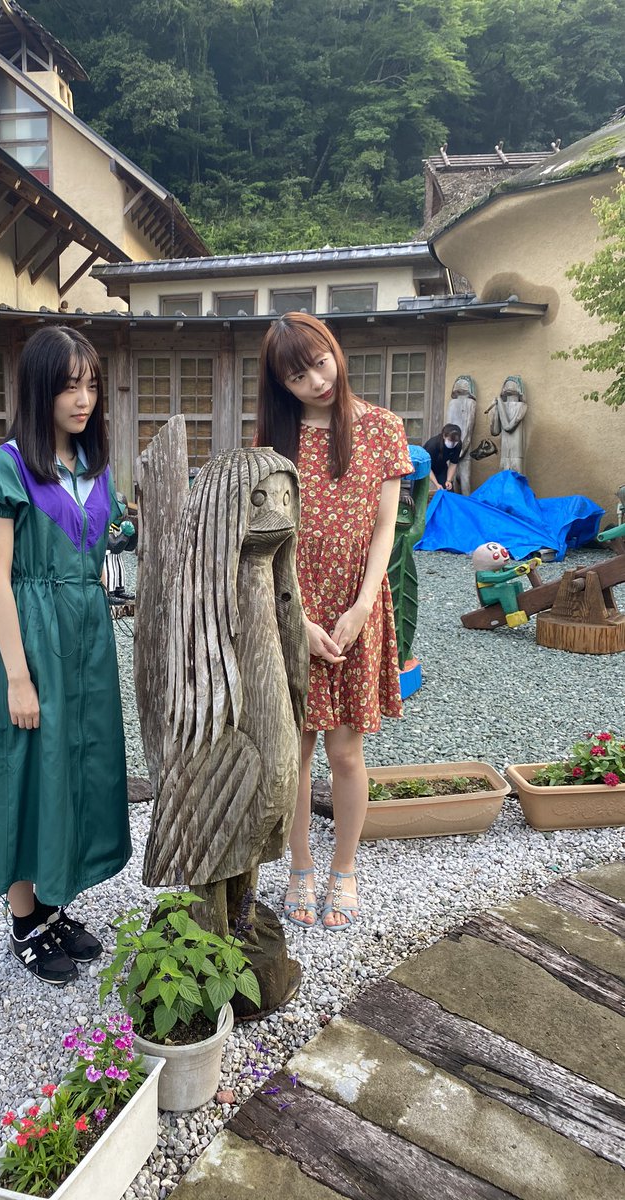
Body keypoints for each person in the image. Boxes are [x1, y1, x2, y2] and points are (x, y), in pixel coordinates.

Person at [0, 326, 131, 985]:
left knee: (76, 767)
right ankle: (23, 920)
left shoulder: (96, 467)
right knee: (26, 771)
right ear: (39, 389)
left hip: (88, 642)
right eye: (68, 386)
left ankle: (54, 903)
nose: (83, 399)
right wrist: (17, 676)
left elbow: (107, 544)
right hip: (33, 639)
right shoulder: (8, 465)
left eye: (91, 384)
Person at [257, 313, 411, 930]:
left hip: (355, 604)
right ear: (281, 385)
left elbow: (385, 529)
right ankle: (300, 865)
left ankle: (343, 869)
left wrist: (363, 607)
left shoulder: (382, 427)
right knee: (293, 750)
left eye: (320, 363)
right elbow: (268, 542)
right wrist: (296, 619)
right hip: (292, 606)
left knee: (346, 752)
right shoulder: (275, 442)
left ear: (335, 352)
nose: (316, 382)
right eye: (297, 376)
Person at [423, 423, 462, 491]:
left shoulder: (458, 445)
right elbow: (426, 466)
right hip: (423, 466)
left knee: (448, 489)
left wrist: (448, 480)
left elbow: (453, 463)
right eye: (450, 440)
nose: (452, 444)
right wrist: (436, 484)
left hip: (440, 467)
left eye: (455, 441)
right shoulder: (433, 445)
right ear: (444, 436)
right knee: (420, 491)